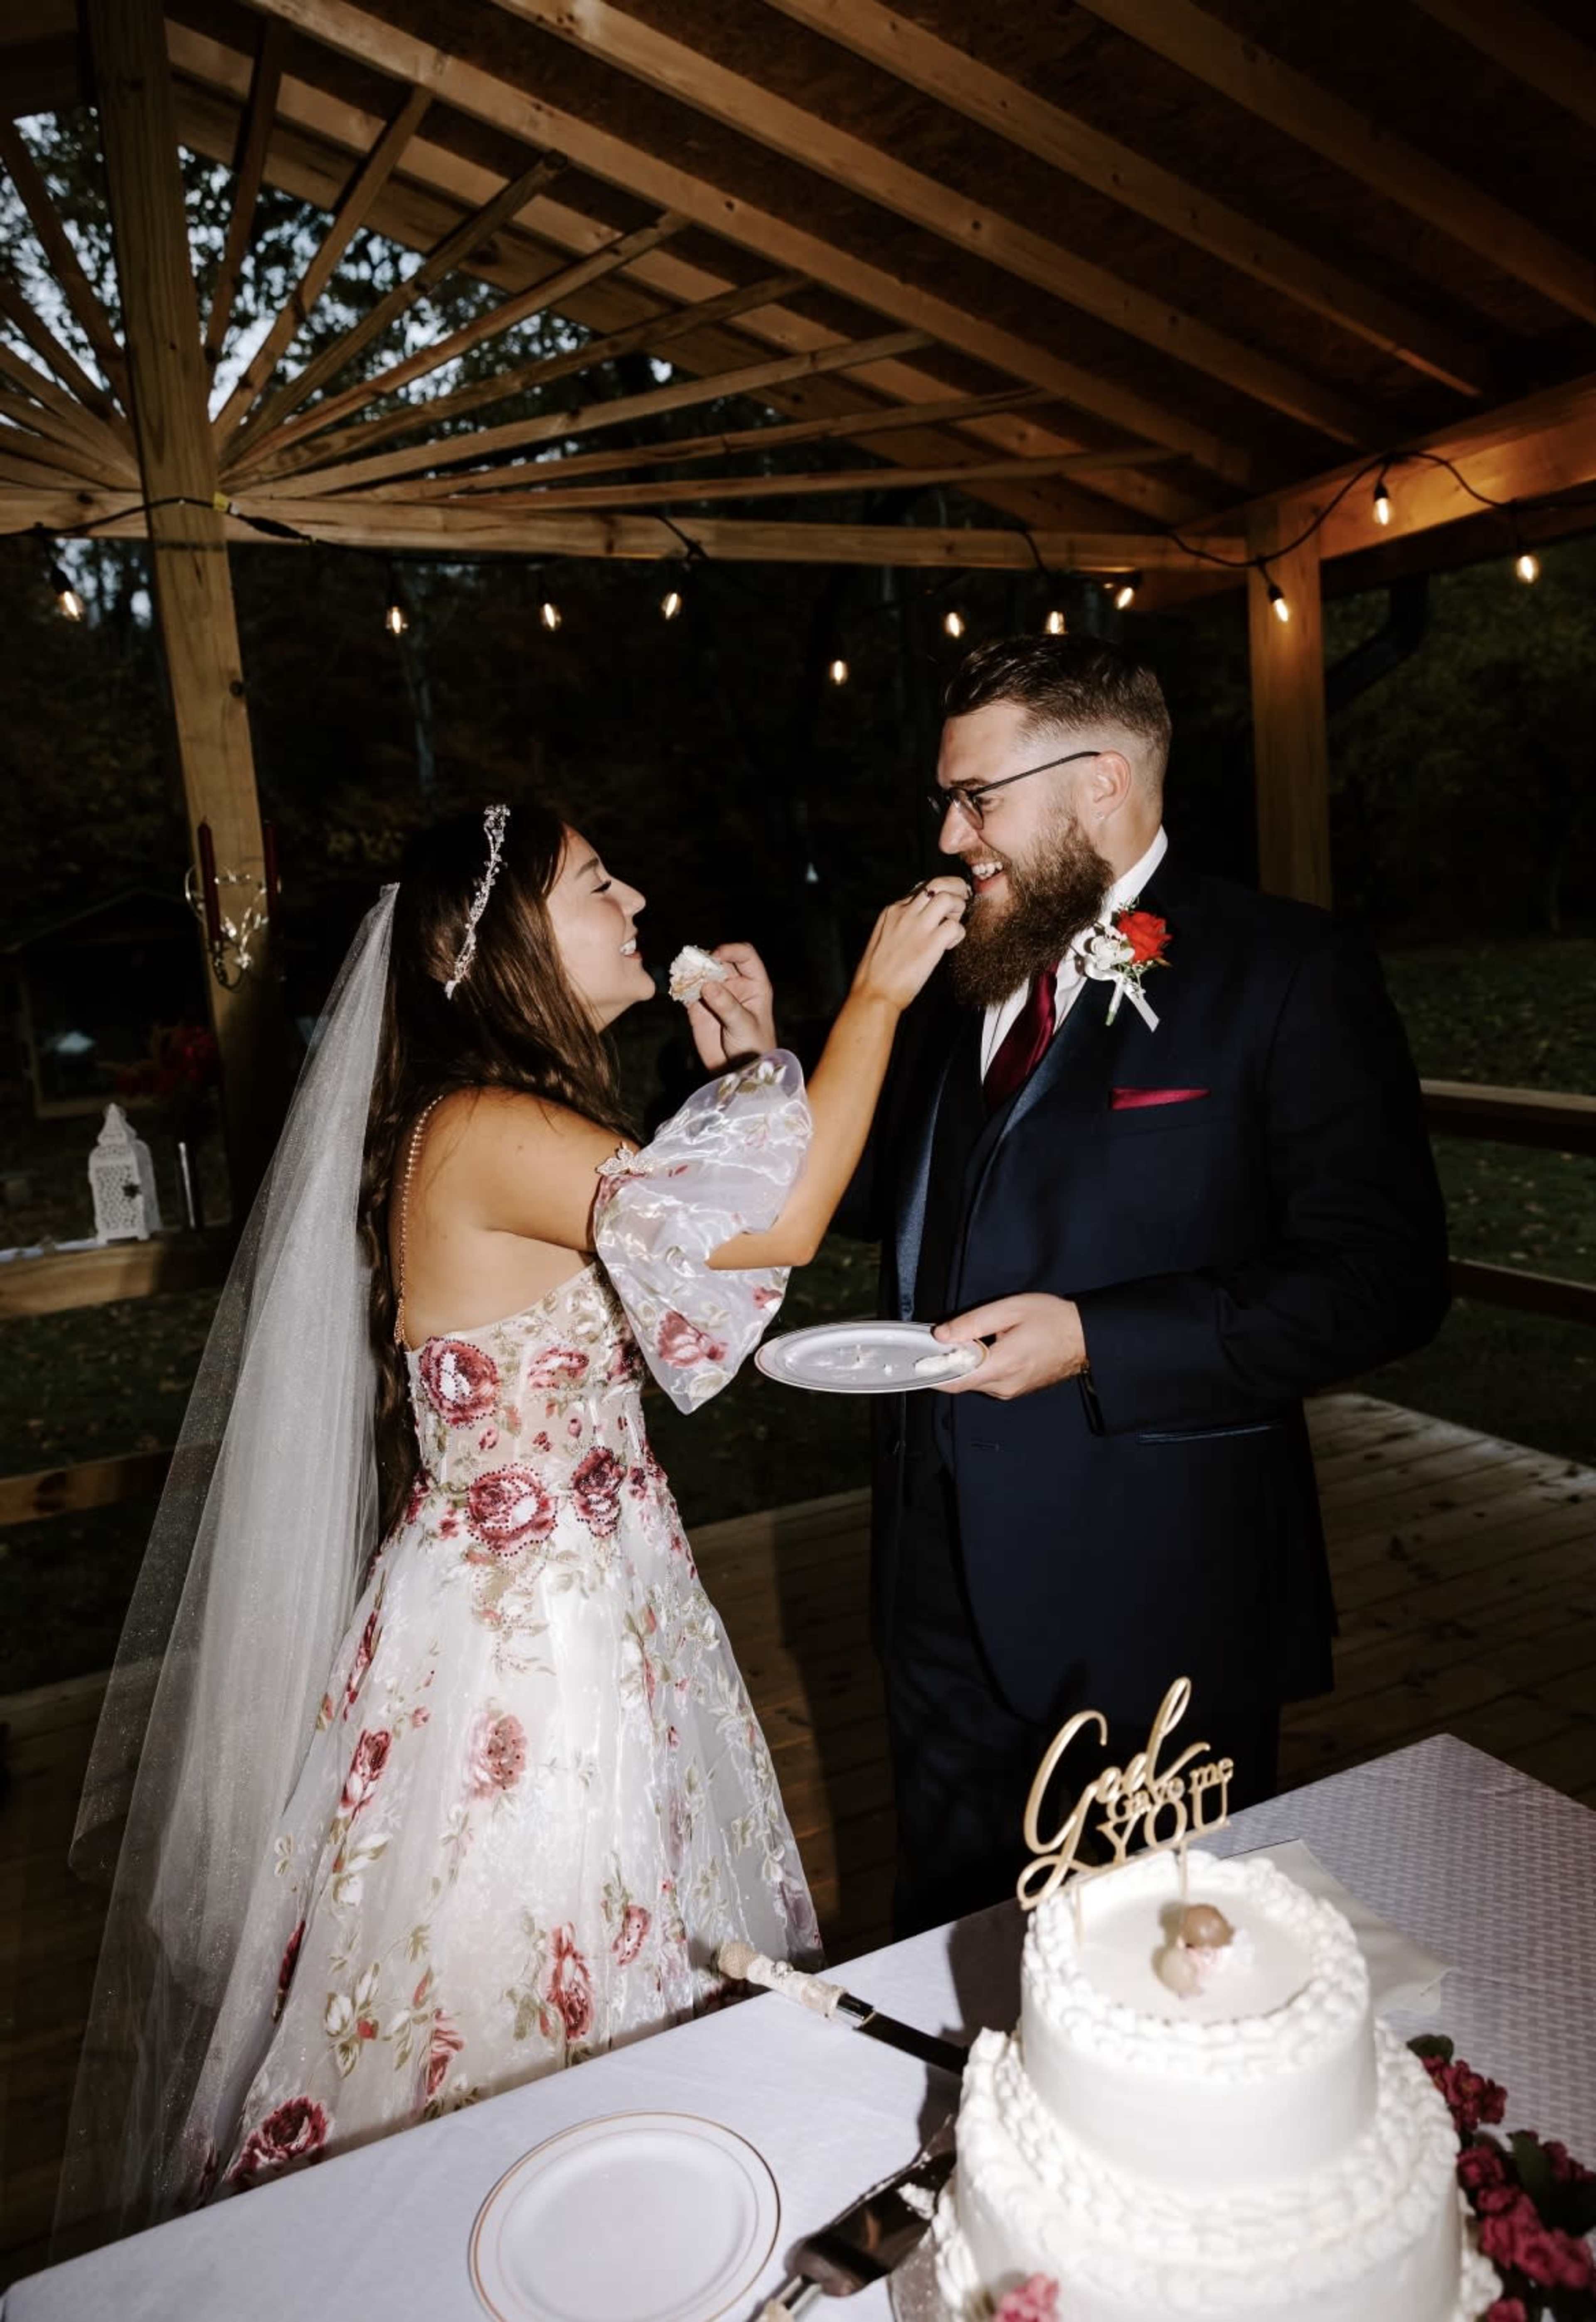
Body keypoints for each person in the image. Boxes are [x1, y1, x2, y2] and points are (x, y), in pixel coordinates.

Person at [59, 800, 967, 2234]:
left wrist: (760, 1066)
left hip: (600, 1599)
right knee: (519, 1988)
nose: (637, 895)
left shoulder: (504, 1121)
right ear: (505, 948)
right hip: (532, 1652)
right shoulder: (478, 1125)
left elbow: (694, 1262)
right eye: (600, 882)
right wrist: (878, 998)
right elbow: (773, 1228)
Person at [847, 635, 1449, 1936]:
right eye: (949, 799)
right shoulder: (972, 976)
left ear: (1103, 782)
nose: (951, 834)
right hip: (933, 1583)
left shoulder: (1286, 971)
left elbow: (1386, 1279)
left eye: (978, 797)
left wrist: (1099, 1338)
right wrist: (766, 1078)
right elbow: (906, 1198)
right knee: (946, 1945)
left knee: (1152, 1972)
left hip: (1155, 1599)